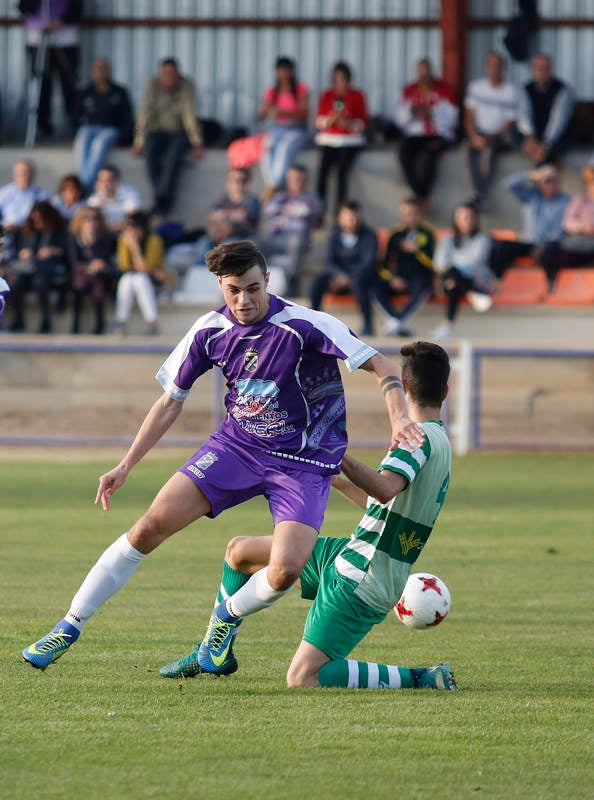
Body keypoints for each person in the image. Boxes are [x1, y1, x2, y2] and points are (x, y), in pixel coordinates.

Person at [22, 240, 425, 671]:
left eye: (253, 288)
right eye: (233, 290)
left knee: (285, 570)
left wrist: (399, 417)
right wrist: (126, 464)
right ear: (220, 285)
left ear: (267, 281)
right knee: (148, 527)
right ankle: (69, 625)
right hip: (237, 448)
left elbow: (381, 364)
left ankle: (223, 620)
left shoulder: (305, 325)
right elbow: (170, 401)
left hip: (303, 462)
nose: (243, 299)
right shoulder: (208, 331)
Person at [160, 340, 455, 691]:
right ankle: (215, 647)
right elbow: (385, 505)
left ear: (403, 387)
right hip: (354, 555)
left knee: (304, 678)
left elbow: (385, 489)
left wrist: (337, 451)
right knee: (239, 553)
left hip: (364, 577)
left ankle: (421, 678)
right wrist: (332, 476)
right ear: (446, 391)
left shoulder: (415, 439)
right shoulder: (441, 443)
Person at [132, 58, 204, 217]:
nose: (169, 77)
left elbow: (189, 115)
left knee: (174, 157)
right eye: (165, 73)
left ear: (178, 74)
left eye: (172, 73)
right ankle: (162, 197)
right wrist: (139, 141)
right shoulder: (153, 85)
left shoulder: (186, 86)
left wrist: (196, 142)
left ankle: (160, 199)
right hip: (157, 132)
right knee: (150, 154)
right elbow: (144, 114)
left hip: (179, 132)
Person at [489, 165, 570, 284]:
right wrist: (532, 175)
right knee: (501, 246)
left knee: (550, 249)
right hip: (530, 243)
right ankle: (499, 280)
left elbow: (562, 229)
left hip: (550, 245)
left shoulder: (566, 201)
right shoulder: (531, 196)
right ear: (539, 183)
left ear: (559, 183)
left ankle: (550, 282)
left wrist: (543, 245)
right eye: (546, 181)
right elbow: (508, 184)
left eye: (553, 181)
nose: (550, 184)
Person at [309, 198, 378, 336]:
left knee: (362, 282)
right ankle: (313, 322)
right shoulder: (334, 235)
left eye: (354, 217)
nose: (351, 221)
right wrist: (339, 276)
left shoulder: (369, 235)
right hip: (337, 277)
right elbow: (329, 261)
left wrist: (349, 278)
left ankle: (368, 325)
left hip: (359, 278)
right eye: (348, 217)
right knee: (318, 281)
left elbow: (368, 262)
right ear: (340, 217)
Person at [395, 58, 458, 206]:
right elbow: (399, 120)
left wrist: (432, 114)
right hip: (415, 135)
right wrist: (411, 112)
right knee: (404, 153)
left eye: (426, 72)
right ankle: (419, 194)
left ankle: (421, 197)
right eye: (420, 73)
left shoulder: (444, 90)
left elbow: (453, 119)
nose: (423, 76)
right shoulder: (409, 90)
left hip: (438, 135)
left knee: (429, 156)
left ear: (432, 71)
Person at [19, 0, 82, 137]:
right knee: (42, 85)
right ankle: (42, 126)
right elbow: (23, 8)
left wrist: (60, 21)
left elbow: (78, 9)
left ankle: (75, 125)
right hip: (37, 39)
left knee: (69, 84)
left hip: (66, 40)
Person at [375, 196, 435, 338]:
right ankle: (396, 321)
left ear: (419, 214)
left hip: (420, 277)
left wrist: (417, 251)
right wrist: (392, 278)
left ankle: (396, 322)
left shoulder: (427, 233)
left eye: (413, 213)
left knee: (423, 287)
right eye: (406, 214)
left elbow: (434, 263)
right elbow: (384, 264)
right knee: (374, 285)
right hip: (399, 277)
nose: (410, 217)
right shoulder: (396, 234)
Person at [259, 163, 322, 296]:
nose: (297, 182)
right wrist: (293, 210)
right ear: (288, 181)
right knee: (252, 244)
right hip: (275, 239)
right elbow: (268, 210)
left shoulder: (312, 199)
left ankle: (289, 291)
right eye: (293, 179)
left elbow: (310, 212)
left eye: (300, 179)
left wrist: (288, 210)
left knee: (295, 242)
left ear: (306, 181)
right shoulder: (280, 196)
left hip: (297, 241)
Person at [314, 61, 369, 215]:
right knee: (323, 173)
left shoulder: (357, 96)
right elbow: (319, 122)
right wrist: (330, 120)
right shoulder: (327, 95)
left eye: (343, 79)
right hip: (329, 140)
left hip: (350, 142)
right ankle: (319, 211)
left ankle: (340, 213)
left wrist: (348, 123)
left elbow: (363, 123)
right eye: (336, 79)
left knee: (341, 175)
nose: (340, 83)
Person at [464, 52, 517, 207]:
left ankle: (480, 195)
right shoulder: (476, 87)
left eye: (498, 66)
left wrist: (492, 137)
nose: (494, 69)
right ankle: (479, 192)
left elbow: (510, 121)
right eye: (491, 65)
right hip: (478, 133)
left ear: (504, 68)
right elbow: (469, 115)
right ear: (486, 68)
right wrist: (474, 136)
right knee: (468, 152)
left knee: (489, 154)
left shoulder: (511, 91)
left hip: (499, 136)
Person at [433, 203, 493, 340]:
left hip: (475, 279)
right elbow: (439, 264)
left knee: (453, 280)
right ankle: (470, 294)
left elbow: (474, 262)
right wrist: (454, 268)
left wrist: (454, 264)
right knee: (452, 278)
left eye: (470, 217)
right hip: (453, 281)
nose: (467, 220)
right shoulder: (446, 240)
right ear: (456, 220)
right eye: (463, 217)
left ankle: (447, 326)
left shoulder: (483, 239)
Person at [74, 58, 134, 192]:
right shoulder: (86, 92)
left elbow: (127, 118)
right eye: (97, 69)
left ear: (109, 71)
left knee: (99, 144)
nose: (100, 72)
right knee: (82, 140)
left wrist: (123, 139)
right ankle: (84, 182)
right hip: (90, 129)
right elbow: (76, 116)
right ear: (92, 72)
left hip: (111, 130)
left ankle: (84, 187)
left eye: (103, 69)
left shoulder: (119, 92)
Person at [9, 200, 69, 334]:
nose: (38, 223)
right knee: (16, 283)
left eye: (41, 219)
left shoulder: (58, 231)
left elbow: (66, 253)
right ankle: (18, 320)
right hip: (28, 270)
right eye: (35, 219)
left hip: (49, 271)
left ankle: (46, 320)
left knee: (41, 283)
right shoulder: (28, 231)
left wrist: (52, 250)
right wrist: (23, 252)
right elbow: (17, 251)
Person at [257, 56, 310, 201]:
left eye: (286, 71)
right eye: (281, 71)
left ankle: (273, 185)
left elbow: (304, 115)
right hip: (277, 129)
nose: (284, 75)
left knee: (284, 147)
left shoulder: (300, 89)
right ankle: (273, 184)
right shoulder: (272, 92)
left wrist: (283, 112)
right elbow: (259, 117)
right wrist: (266, 108)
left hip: (296, 129)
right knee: (266, 146)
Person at [113, 211, 167, 336]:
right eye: (127, 227)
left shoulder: (154, 240)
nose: (129, 230)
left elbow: (146, 267)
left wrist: (135, 248)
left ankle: (152, 323)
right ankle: (121, 322)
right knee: (127, 279)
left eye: (133, 226)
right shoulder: (124, 240)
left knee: (140, 279)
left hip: (155, 282)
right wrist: (131, 246)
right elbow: (124, 266)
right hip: (133, 280)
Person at [541, 164, 594, 289]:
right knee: (550, 249)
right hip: (579, 243)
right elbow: (568, 222)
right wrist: (583, 227)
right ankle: (553, 283)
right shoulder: (579, 200)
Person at [516, 53, 574, 167]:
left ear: (550, 69)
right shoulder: (525, 89)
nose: (541, 71)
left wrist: (544, 145)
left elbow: (558, 121)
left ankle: (539, 176)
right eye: (537, 67)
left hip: (555, 136)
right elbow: (523, 113)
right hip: (533, 134)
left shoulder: (563, 89)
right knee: (517, 134)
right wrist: (530, 137)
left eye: (544, 68)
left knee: (548, 151)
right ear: (532, 69)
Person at [68, 206, 116, 335]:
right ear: (80, 221)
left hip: (99, 275)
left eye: (94, 219)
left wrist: (98, 263)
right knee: (80, 282)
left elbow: (106, 259)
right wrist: (89, 266)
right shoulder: (74, 240)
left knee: (98, 282)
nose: (91, 222)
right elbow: (73, 261)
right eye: (87, 219)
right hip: (80, 274)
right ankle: (76, 324)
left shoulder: (104, 239)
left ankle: (99, 324)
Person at [87, 164, 142, 233]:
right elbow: (91, 220)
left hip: (124, 232)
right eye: (101, 180)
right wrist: (101, 199)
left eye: (107, 180)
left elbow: (134, 218)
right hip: (103, 233)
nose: (104, 184)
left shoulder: (129, 193)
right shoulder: (94, 198)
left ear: (116, 181)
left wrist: (111, 229)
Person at [0, 159, 49, 234]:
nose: (24, 176)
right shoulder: (4, 193)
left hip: (31, 233)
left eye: (27, 173)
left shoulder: (42, 195)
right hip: (7, 232)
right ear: (15, 175)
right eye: (21, 173)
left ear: (33, 174)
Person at [211, 167, 260, 239]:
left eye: (244, 180)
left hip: (242, 238)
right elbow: (212, 217)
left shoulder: (253, 201)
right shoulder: (222, 200)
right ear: (228, 182)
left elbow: (243, 216)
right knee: (204, 243)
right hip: (220, 237)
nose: (239, 184)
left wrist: (223, 215)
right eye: (235, 180)